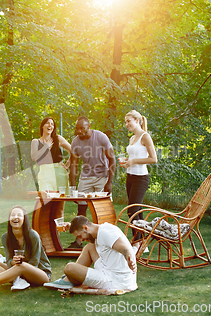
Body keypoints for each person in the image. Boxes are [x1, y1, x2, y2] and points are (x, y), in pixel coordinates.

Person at [43, 215, 137, 291]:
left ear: (85, 227)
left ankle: (69, 279)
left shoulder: (106, 233)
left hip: (116, 280)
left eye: (80, 236)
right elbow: (81, 226)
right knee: (90, 247)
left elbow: (125, 248)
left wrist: (130, 260)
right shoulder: (99, 230)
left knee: (69, 268)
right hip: (108, 269)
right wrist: (70, 225)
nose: (81, 240)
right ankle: (68, 279)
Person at [68, 116, 116, 248]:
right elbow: (73, 164)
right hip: (86, 177)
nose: (79, 131)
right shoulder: (75, 142)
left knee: (102, 210)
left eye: (82, 128)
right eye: (77, 128)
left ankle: (106, 241)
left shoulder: (101, 137)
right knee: (81, 208)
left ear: (89, 126)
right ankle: (78, 241)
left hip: (102, 177)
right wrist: (72, 188)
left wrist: (109, 182)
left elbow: (112, 159)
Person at [120, 110, 157, 248]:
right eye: (125, 122)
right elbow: (133, 158)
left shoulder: (145, 136)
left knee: (132, 210)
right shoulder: (132, 138)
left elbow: (153, 159)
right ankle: (142, 243)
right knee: (136, 211)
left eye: (128, 121)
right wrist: (127, 163)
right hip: (130, 177)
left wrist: (133, 161)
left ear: (137, 120)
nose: (126, 124)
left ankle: (137, 243)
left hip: (141, 178)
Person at [30, 117, 71, 192]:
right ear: (42, 126)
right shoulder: (35, 142)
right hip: (45, 174)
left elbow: (73, 151)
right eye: (47, 123)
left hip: (59, 172)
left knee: (61, 199)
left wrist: (67, 165)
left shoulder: (58, 139)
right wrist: (46, 146)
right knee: (46, 198)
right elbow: (34, 157)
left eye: (52, 124)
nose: (50, 125)